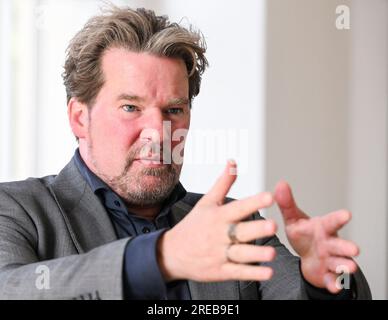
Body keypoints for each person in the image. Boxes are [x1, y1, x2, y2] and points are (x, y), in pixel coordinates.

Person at [0, 6, 371, 300]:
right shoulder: (17, 210)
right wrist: (161, 257)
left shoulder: (235, 224)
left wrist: (325, 279)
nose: (158, 131)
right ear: (80, 118)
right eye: (130, 107)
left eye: (173, 110)